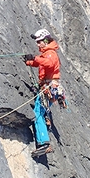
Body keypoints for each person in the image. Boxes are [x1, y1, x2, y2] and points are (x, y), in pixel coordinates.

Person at [23, 28, 65, 157]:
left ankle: (44, 143)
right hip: (48, 87)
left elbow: (49, 64)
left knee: (38, 112)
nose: (37, 44)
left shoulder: (50, 53)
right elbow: (41, 64)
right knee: (40, 111)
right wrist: (29, 61)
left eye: (39, 41)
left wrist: (34, 58)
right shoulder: (46, 53)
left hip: (50, 87)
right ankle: (43, 140)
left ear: (46, 40)